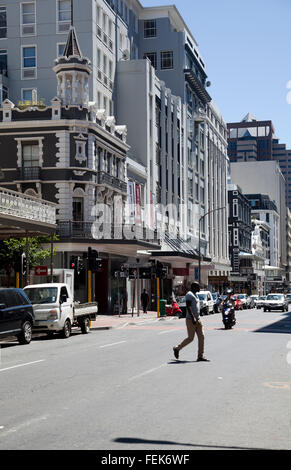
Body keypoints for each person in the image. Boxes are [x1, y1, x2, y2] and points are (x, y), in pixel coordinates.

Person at [173, 282, 210, 362]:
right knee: (190, 338)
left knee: (201, 337)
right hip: (191, 319)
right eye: (198, 287)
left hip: (198, 319)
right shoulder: (189, 294)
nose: (199, 288)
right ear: (194, 287)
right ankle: (177, 348)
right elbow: (188, 307)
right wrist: (193, 318)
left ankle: (200, 356)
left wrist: (197, 318)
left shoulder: (195, 294)